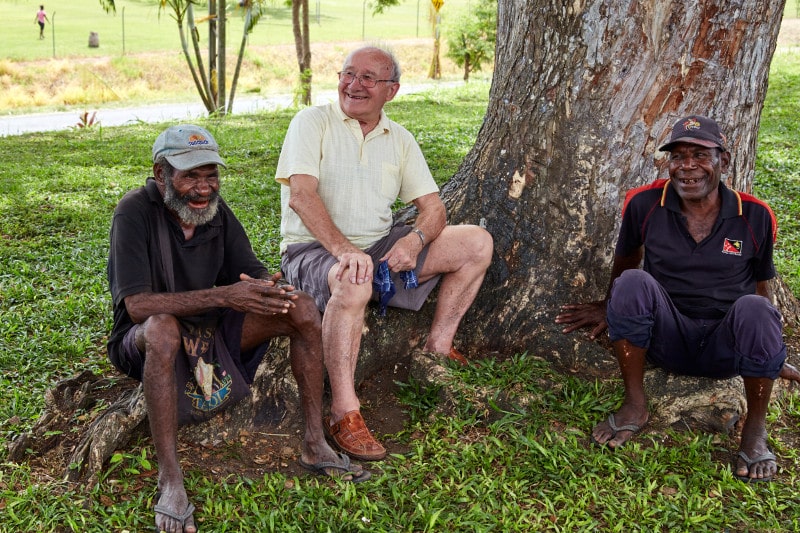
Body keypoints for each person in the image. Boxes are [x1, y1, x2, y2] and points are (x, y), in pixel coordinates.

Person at [108, 124, 369, 533]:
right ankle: (170, 480)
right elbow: (138, 306)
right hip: (147, 340)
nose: (203, 187)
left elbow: (248, 270)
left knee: (299, 306)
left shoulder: (215, 210)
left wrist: (270, 286)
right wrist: (226, 296)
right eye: (190, 175)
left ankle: (315, 442)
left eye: (210, 175)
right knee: (161, 329)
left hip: (211, 328)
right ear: (161, 175)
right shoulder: (134, 212)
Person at [274, 46, 493, 462]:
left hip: (379, 245)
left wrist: (413, 241)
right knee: (354, 279)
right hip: (313, 249)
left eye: (368, 78)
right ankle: (344, 409)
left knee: (477, 242)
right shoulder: (312, 122)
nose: (353, 85)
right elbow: (301, 197)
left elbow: (435, 209)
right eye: (348, 74)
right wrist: (345, 251)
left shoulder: (400, 139)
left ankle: (439, 346)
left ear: (391, 90)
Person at [555, 115, 800, 482]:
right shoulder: (645, 204)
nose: (687, 166)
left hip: (726, 347)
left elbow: (761, 286)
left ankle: (754, 431)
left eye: (700, 155)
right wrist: (612, 305)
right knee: (633, 282)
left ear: (724, 161)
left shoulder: (755, 215)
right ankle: (635, 405)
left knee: (756, 308)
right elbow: (626, 262)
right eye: (678, 156)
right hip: (665, 338)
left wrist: (767, 351)